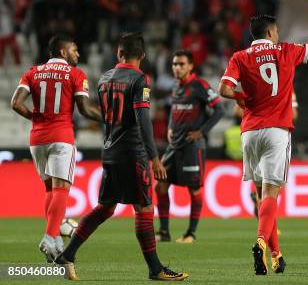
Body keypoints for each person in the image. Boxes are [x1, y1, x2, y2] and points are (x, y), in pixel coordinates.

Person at [219, 0, 308, 275]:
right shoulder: (287, 51)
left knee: (262, 196)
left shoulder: (239, 57)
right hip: (276, 131)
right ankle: (261, 242)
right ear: (272, 33)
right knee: (272, 193)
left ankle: (276, 255)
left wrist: (242, 99)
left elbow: (224, 89)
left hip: (250, 131)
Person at [54, 33, 187, 281]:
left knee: (105, 208)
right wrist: (154, 157)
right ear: (143, 56)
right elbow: (143, 119)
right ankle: (155, 268)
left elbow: (104, 117)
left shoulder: (104, 79)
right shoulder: (139, 79)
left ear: (119, 53)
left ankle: (67, 254)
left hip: (110, 152)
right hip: (132, 153)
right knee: (144, 207)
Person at [11, 34, 101, 262]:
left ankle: (57, 242)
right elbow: (85, 109)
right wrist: (112, 119)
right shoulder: (76, 74)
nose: (78, 54)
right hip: (61, 136)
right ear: (63, 52)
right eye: (75, 50)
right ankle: (50, 238)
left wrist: (35, 117)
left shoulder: (32, 71)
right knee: (61, 189)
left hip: (37, 139)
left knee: (50, 189)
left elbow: (15, 103)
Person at [155, 50, 224, 243]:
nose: (177, 68)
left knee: (194, 190)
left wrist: (202, 132)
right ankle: (164, 232)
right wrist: (170, 127)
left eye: (181, 64)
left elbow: (219, 109)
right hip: (174, 145)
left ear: (191, 66)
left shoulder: (200, 86)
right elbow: (174, 110)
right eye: (175, 64)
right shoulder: (176, 87)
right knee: (160, 186)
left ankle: (191, 233)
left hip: (192, 146)